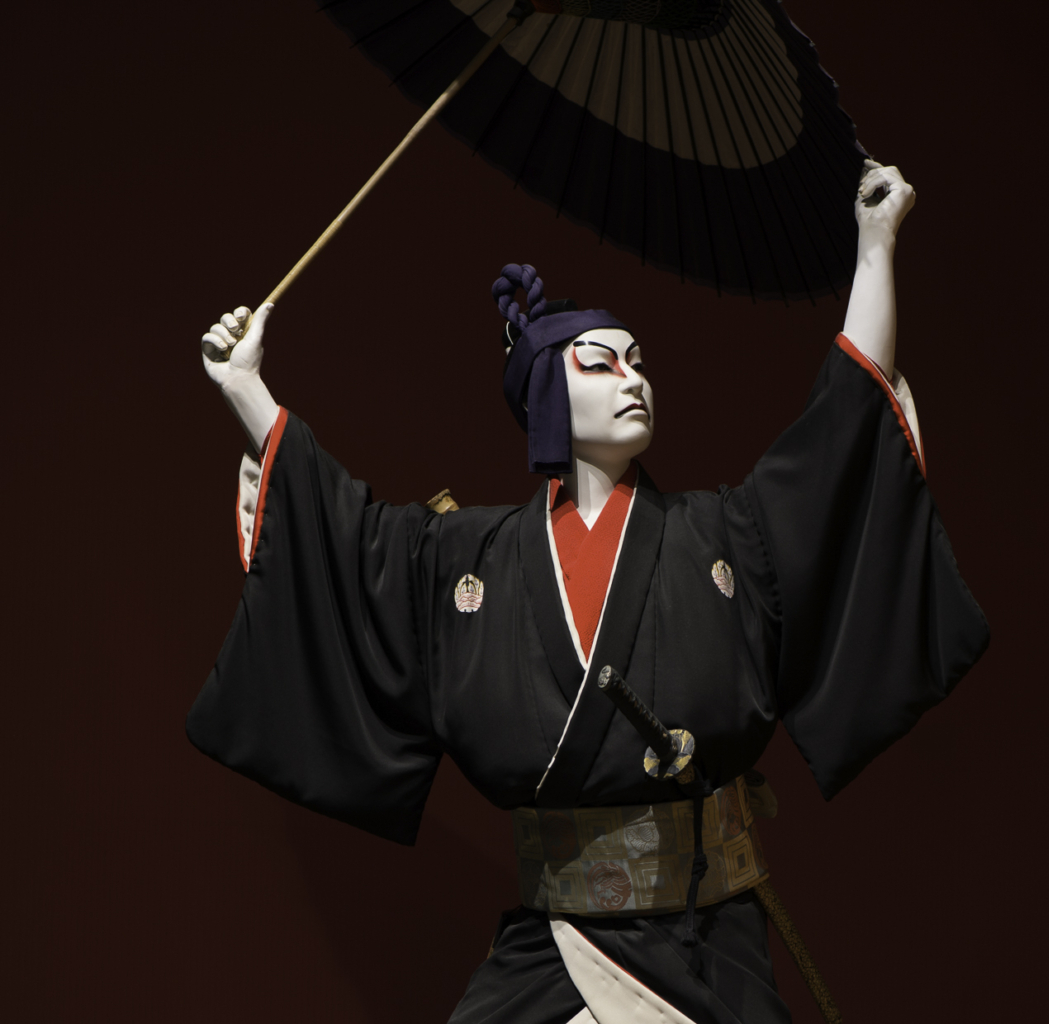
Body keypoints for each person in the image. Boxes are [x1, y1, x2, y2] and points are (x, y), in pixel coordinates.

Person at [190, 161, 988, 1024]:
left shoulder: (727, 534)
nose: (633, 378)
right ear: (543, 395)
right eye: (601, 365)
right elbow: (347, 541)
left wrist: (875, 247)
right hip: (554, 945)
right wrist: (247, 390)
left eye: (639, 363)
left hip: (707, 937)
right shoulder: (462, 556)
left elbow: (837, 447)